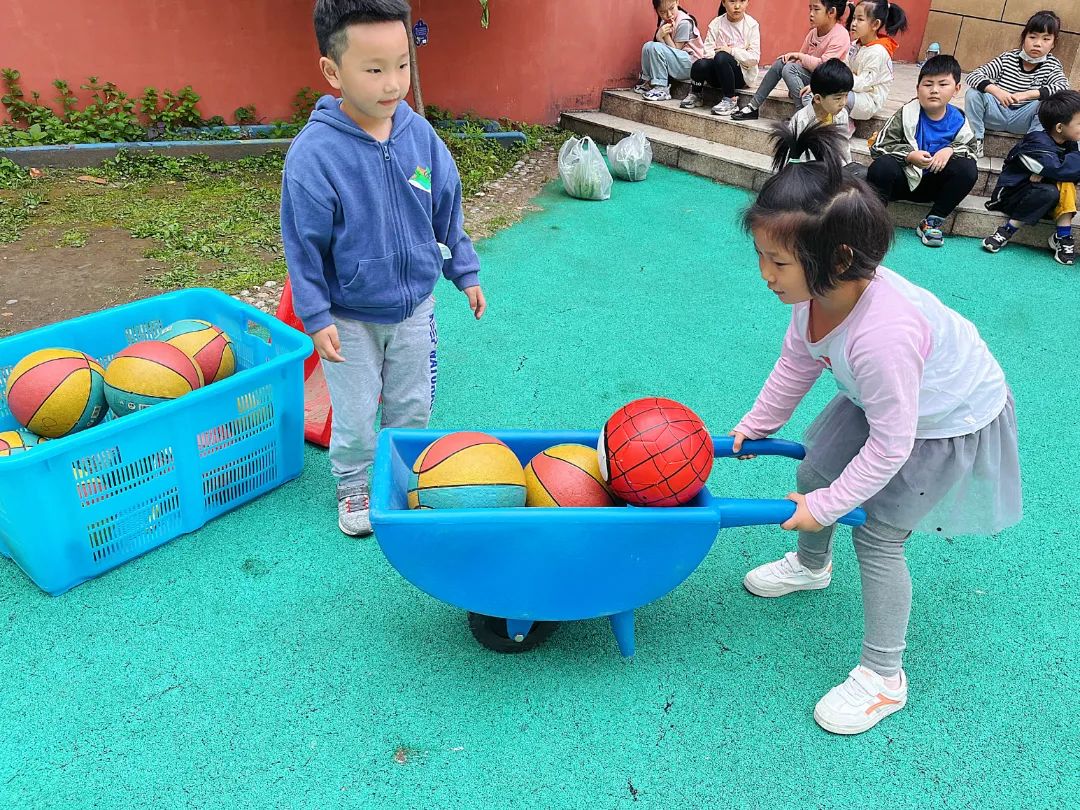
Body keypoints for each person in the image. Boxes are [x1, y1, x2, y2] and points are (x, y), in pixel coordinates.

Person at [733, 123, 1022, 735]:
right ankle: (812, 567)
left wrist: (831, 506)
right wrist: (759, 425)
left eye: (777, 261)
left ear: (837, 258)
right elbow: (798, 360)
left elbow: (892, 443)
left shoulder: (884, 335)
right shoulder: (817, 297)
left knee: (878, 534)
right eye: (761, 256)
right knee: (813, 467)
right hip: (883, 402)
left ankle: (884, 676)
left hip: (944, 418)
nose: (765, 273)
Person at [280, 0, 486, 536]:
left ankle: (399, 476)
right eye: (374, 69)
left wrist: (464, 270)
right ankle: (353, 485)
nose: (393, 83)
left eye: (402, 64)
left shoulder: (419, 136)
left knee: (412, 404)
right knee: (353, 414)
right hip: (347, 314)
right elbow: (303, 246)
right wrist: (316, 315)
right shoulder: (314, 155)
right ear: (333, 71)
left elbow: (445, 203)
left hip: (415, 303)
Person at [866, 54, 978, 248]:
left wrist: (949, 150)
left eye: (943, 85)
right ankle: (873, 221)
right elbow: (879, 147)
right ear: (918, 88)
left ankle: (932, 221)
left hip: (933, 185)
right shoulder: (906, 113)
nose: (934, 90)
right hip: (902, 181)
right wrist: (909, 155)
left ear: (957, 89)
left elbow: (972, 150)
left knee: (968, 169)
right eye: (928, 84)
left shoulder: (958, 119)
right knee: (882, 166)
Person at [982, 89, 1080, 266]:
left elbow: (1063, 171)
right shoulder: (1037, 141)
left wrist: (1049, 175)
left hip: (1043, 199)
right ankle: (1007, 230)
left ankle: (1063, 235)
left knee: (1064, 182)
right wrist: (1053, 173)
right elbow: (1059, 168)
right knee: (1054, 187)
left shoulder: (1070, 144)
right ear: (1059, 127)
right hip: (1012, 196)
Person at [964, 10, 1069, 159]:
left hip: (1024, 120)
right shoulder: (1008, 58)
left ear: (1053, 44)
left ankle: (1031, 147)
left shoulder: (1052, 65)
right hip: (997, 113)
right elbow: (974, 75)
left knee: (1048, 103)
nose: (1037, 44)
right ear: (1024, 37)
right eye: (1032, 37)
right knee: (973, 93)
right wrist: (997, 91)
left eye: (1046, 39)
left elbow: (1063, 87)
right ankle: (975, 142)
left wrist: (1028, 94)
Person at [731, 0, 850, 121]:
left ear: (831, 12)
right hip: (812, 78)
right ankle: (753, 106)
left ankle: (802, 116)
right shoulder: (813, 32)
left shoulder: (840, 35)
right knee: (782, 63)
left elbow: (825, 68)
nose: (811, 14)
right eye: (810, 9)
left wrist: (798, 58)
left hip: (828, 83)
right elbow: (801, 60)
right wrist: (792, 66)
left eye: (816, 9)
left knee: (790, 68)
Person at [680, 0, 761, 116]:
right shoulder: (716, 23)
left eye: (742, 1)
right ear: (723, 2)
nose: (737, 6)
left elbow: (754, 58)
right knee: (699, 64)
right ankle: (696, 94)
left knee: (722, 56)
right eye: (732, 1)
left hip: (740, 75)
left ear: (747, 2)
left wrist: (731, 51)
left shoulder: (751, 25)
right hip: (718, 72)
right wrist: (720, 55)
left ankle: (730, 100)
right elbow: (707, 52)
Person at [840, 0, 907, 123]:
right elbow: (844, 66)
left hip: (869, 99)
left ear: (875, 24)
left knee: (835, 96)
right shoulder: (855, 45)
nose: (853, 23)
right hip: (852, 90)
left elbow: (863, 84)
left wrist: (838, 80)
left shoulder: (878, 52)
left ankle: (843, 128)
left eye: (860, 19)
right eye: (853, 18)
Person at [636, 0, 705, 102]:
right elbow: (666, 52)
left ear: (677, 2)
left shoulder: (684, 22)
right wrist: (660, 37)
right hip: (678, 61)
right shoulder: (665, 21)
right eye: (662, 12)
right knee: (648, 46)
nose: (668, 14)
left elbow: (676, 50)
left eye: (671, 8)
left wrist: (663, 36)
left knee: (655, 47)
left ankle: (662, 88)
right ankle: (648, 81)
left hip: (691, 65)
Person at [789, 58, 854, 165]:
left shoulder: (841, 115)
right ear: (818, 99)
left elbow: (844, 148)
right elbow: (794, 158)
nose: (843, 103)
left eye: (846, 95)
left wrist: (846, 170)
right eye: (838, 98)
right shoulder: (801, 121)